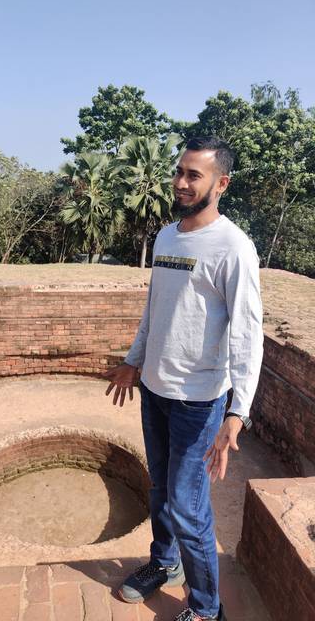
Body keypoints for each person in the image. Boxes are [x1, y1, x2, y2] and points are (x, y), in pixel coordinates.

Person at [103, 136, 264, 621]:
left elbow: (247, 334)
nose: (182, 182)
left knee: (190, 508)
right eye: (180, 172)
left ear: (222, 183)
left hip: (199, 399)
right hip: (155, 389)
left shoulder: (233, 247)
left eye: (194, 174)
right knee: (160, 490)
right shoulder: (167, 237)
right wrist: (135, 361)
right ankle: (164, 564)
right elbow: (157, 310)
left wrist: (237, 411)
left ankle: (207, 608)